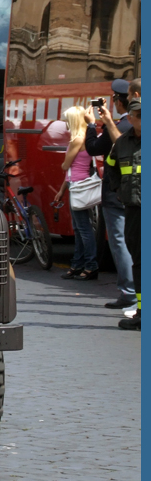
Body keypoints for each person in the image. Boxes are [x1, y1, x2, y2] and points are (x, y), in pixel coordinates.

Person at [85, 79, 136, 309]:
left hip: (120, 196)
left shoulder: (124, 127)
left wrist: (94, 125)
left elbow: (96, 148)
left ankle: (128, 293)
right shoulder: (128, 125)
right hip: (130, 194)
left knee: (121, 243)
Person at [106, 98, 141, 330]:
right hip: (134, 210)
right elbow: (111, 166)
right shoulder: (122, 143)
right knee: (139, 262)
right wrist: (119, 190)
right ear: (131, 119)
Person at [54, 105, 99, 281]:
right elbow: (71, 170)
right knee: (80, 228)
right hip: (77, 184)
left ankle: (89, 265)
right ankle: (78, 264)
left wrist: (65, 168)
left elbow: (66, 166)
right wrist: (61, 190)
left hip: (79, 187)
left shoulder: (77, 140)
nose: (65, 124)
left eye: (67, 120)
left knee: (83, 229)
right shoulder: (83, 138)